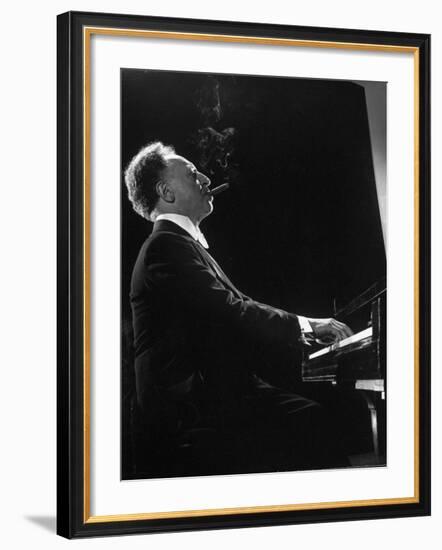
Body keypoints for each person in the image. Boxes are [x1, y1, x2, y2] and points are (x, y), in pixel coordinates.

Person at [124, 141, 353, 477]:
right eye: (192, 174)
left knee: (310, 420)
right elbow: (230, 311)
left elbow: (228, 317)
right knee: (311, 423)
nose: (205, 177)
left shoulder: (178, 244)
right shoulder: (164, 246)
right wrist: (306, 326)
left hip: (215, 396)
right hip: (192, 411)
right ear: (166, 192)